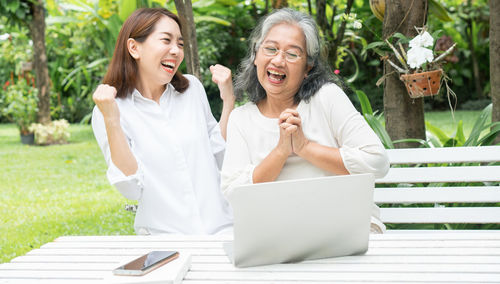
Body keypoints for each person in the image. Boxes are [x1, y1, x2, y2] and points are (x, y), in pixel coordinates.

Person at [221, 8, 390, 233]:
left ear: (307, 67)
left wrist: (304, 147)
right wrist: (281, 151)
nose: (278, 60)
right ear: (256, 56)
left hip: (344, 226)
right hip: (281, 234)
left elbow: (377, 161)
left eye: (292, 54)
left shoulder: (327, 97)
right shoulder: (241, 119)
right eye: (270, 49)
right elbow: (234, 192)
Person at [91, 8, 234, 235]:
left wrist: (228, 102)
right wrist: (112, 119)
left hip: (222, 230)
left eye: (180, 43)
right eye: (166, 40)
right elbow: (130, 187)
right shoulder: (110, 109)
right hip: (165, 241)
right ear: (134, 48)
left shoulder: (192, 89)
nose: (176, 51)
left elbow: (220, 155)